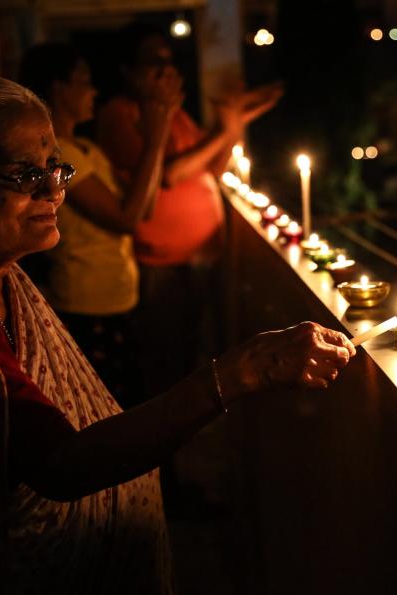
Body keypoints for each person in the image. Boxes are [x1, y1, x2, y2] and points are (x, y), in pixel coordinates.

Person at [0, 73, 354, 595]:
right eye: (23, 175)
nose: (53, 191)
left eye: (55, 169)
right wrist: (245, 371)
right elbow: (59, 465)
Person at [97, 25, 283, 395]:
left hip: (200, 257)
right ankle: (164, 442)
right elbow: (169, 174)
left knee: (196, 350)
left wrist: (232, 126)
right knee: (165, 358)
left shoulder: (175, 115)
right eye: (154, 63)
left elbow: (209, 169)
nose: (167, 72)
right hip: (163, 264)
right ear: (128, 72)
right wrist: (224, 129)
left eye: (171, 63)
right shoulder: (121, 114)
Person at [18, 42, 181, 405]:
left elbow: (144, 208)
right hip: (87, 303)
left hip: (113, 297)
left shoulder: (84, 147)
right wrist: (154, 137)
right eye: (84, 81)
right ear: (59, 89)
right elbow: (126, 219)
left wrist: (162, 122)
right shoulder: (62, 154)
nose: (94, 91)